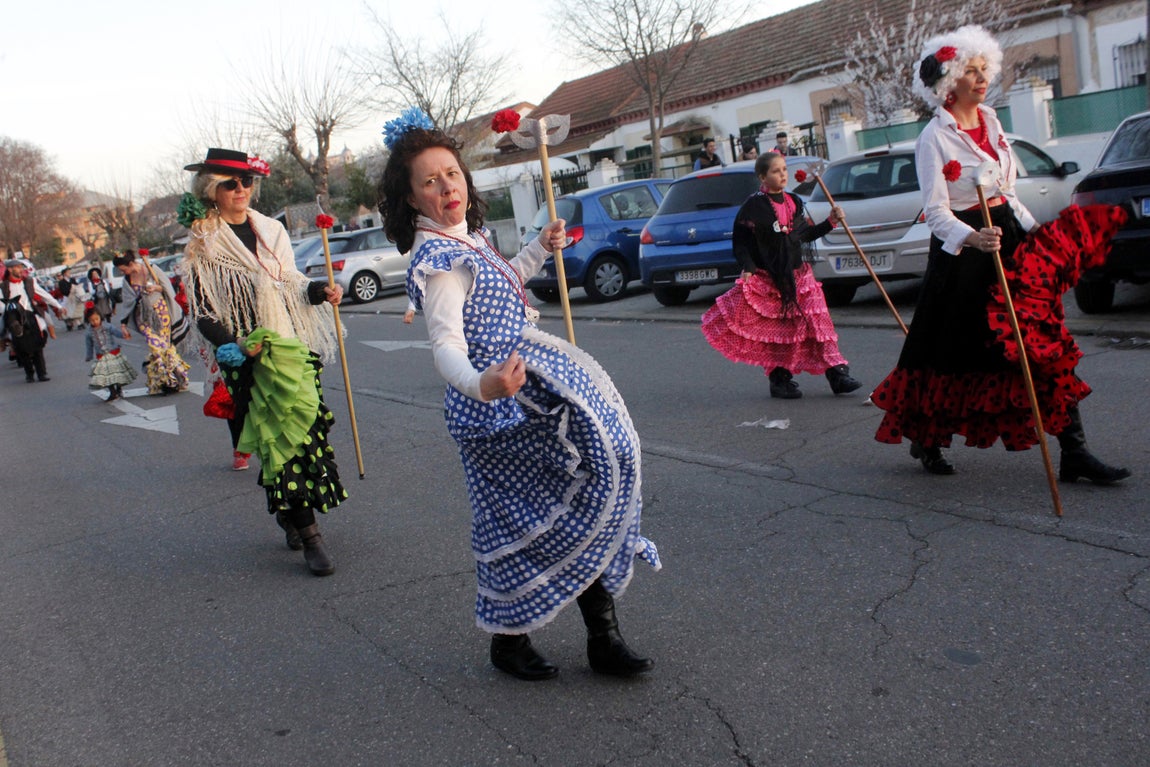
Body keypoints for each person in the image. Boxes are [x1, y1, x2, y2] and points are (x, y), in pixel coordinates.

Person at [378, 110, 660, 681]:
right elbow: (446, 346)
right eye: (429, 181)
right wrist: (483, 385)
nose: (446, 187)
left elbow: (502, 281)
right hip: (499, 409)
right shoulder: (438, 263)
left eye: (451, 174)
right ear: (410, 199)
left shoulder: (468, 239)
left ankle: (601, 637)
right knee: (527, 513)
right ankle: (512, 642)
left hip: (532, 389)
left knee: (601, 475)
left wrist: (538, 247)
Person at [871, 25, 1129, 485]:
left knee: (1041, 342)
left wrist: (1033, 231)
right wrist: (971, 238)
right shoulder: (934, 137)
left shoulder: (991, 121)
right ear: (949, 82)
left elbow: (1006, 193)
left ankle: (1075, 451)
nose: (981, 77)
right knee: (950, 351)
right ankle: (926, 438)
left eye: (983, 68)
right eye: (970, 70)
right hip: (964, 256)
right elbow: (935, 212)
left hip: (1006, 241)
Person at [181, 147, 347, 575]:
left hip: (288, 348)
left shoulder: (272, 230)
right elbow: (202, 310)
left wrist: (319, 292)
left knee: (306, 436)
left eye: (247, 182)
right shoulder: (204, 241)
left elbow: (290, 282)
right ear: (211, 190)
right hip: (245, 356)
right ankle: (309, 534)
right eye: (230, 184)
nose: (241, 190)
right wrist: (234, 344)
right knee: (277, 445)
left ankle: (293, 515)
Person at [702, 151, 861, 398]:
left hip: (800, 275)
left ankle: (838, 375)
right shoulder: (753, 207)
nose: (783, 175)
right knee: (781, 333)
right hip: (769, 278)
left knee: (818, 324)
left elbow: (801, 235)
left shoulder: (794, 202)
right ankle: (779, 381)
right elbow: (741, 243)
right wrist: (748, 268)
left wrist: (830, 222)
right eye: (776, 171)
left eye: (784, 169)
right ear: (762, 177)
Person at [113, 249, 190, 396]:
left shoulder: (151, 268)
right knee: (155, 346)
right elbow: (127, 302)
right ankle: (166, 380)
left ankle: (173, 378)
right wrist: (123, 324)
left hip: (161, 313)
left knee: (165, 346)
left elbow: (167, 288)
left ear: (130, 264)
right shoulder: (127, 280)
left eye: (123, 269)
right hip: (142, 315)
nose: (123, 272)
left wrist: (155, 287)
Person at [1, 258, 61, 382]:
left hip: (29, 314)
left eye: (21, 267)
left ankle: (42, 373)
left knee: (38, 344)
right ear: (10, 269)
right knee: (19, 346)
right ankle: (29, 373)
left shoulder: (29, 281)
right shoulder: (3, 285)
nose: (21, 270)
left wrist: (58, 305)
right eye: (18, 267)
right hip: (14, 316)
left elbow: (44, 294)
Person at [84, 306, 136, 401]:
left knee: (117, 373)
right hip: (101, 356)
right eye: (92, 320)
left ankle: (119, 389)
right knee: (106, 375)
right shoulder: (89, 332)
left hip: (113, 353)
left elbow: (116, 332)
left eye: (96, 319)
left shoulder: (107, 326)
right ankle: (112, 392)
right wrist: (89, 356)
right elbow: (89, 345)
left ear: (100, 317)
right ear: (88, 320)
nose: (95, 322)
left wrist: (124, 335)